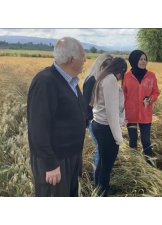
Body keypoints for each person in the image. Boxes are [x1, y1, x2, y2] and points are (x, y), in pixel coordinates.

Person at [27, 37, 86, 196]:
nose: (86, 60)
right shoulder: (46, 82)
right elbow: (38, 128)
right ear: (72, 59)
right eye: (83, 56)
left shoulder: (70, 81)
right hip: (56, 161)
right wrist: (50, 165)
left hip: (70, 158)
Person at [90, 57, 127, 196]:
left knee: (103, 161)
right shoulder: (110, 80)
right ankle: (104, 193)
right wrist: (119, 138)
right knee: (107, 164)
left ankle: (98, 189)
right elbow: (111, 113)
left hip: (98, 124)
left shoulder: (102, 77)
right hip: (106, 128)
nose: (121, 78)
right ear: (121, 70)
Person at [123, 50, 160, 165]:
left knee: (146, 141)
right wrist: (122, 113)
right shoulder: (127, 76)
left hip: (145, 114)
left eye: (145, 59)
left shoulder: (151, 76)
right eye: (140, 59)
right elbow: (123, 95)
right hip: (131, 114)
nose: (143, 61)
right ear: (134, 60)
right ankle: (134, 166)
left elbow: (156, 92)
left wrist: (151, 99)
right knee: (133, 142)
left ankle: (150, 166)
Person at [83, 54, 113, 182]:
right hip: (93, 121)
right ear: (100, 64)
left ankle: (101, 180)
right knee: (101, 152)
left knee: (102, 151)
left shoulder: (102, 79)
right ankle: (98, 183)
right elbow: (85, 104)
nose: (108, 68)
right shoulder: (92, 80)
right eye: (106, 65)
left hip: (100, 121)